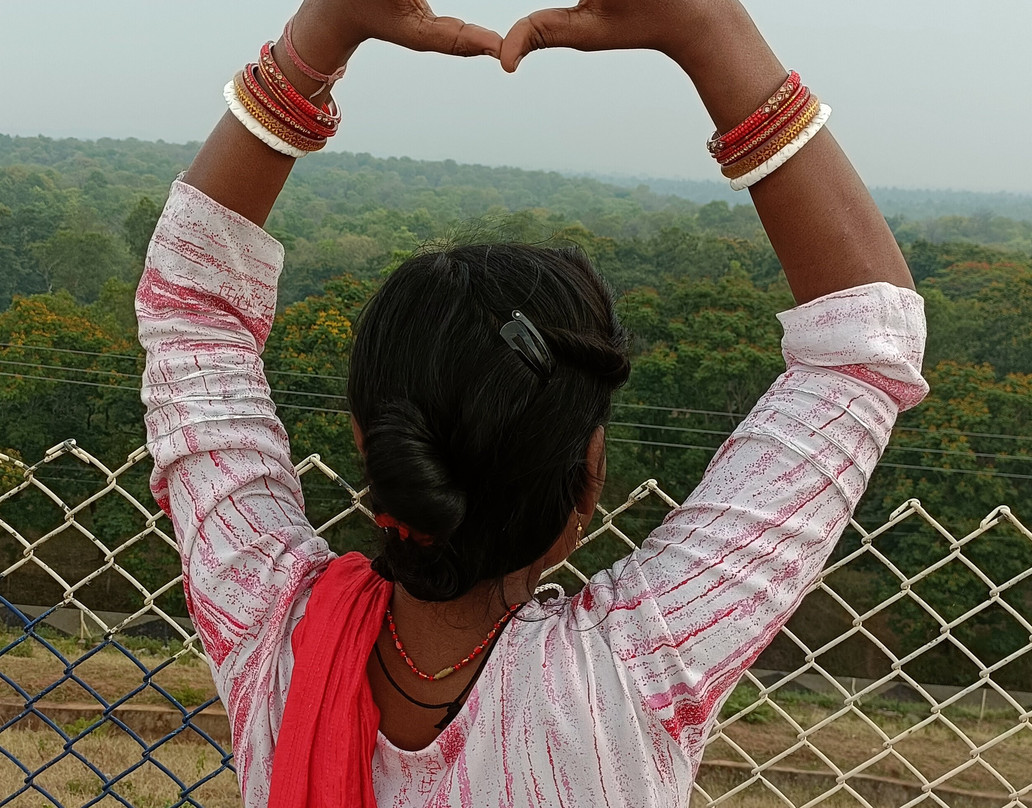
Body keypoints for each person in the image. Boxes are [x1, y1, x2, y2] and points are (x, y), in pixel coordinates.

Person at [135, 0, 929, 805]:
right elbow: (866, 345)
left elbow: (191, 308)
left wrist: (323, 34)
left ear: (372, 445)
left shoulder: (273, 627)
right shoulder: (633, 670)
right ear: (588, 478)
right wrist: (706, 26)